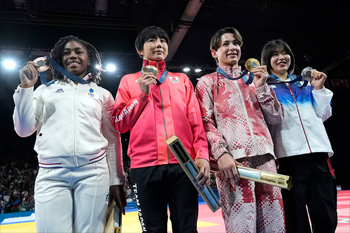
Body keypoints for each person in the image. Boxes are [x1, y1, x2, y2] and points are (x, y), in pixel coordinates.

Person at [13, 35, 126, 233]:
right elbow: (23, 130)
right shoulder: (43, 91)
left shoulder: (102, 94)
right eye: (66, 53)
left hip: (93, 173)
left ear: (88, 59)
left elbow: (112, 140)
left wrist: (117, 180)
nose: (72, 55)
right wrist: (26, 89)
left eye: (78, 52)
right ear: (59, 59)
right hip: (51, 175)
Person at [112, 26, 210, 233]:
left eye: (163, 41)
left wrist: (202, 155)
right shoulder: (129, 81)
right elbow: (120, 124)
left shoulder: (182, 80)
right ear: (140, 50)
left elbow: (196, 124)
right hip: (144, 167)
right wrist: (142, 94)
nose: (159, 44)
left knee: (187, 229)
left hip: (184, 166)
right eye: (152, 40)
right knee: (153, 229)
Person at [195, 27, 286, 233]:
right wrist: (221, 154)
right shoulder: (207, 83)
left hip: (265, 157)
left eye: (235, 43)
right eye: (225, 44)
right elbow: (205, 121)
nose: (232, 47)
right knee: (241, 225)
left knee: (275, 224)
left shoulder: (255, 79)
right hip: (233, 162)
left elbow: (276, 117)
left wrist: (262, 87)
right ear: (214, 52)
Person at [261, 39, 337, 233]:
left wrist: (318, 88)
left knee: (326, 216)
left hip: (318, 155)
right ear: (268, 60)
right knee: (296, 219)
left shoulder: (304, 83)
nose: (281, 57)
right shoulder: (265, 87)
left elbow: (323, 115)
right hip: (288, 159)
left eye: (284, 53)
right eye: (275, 54)